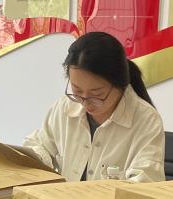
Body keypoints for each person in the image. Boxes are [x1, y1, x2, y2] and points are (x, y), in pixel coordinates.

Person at [23, 31, 165, 182]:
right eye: (77, 90)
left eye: (96, 94)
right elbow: (39, 146)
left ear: (120, 84)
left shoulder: (146, 120)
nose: (85, 102)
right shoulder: (64, 107)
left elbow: (145, 182)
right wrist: (35, 158)